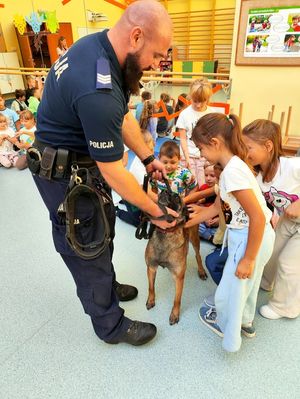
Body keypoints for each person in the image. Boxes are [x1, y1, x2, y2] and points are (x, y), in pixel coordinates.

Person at [30, 0, 175, 347]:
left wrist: (146, 155)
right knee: (88, 243)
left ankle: (107, 288)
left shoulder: (101, 49)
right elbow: (115, 174)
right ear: (137, 36)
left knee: (104, 225)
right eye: (157, 55)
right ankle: (110, 325)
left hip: (82, 164)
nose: (157, 65)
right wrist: (156, 211)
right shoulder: (98, 89)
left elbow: (123, 115)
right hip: (64, 174)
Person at [185, 113, 275, 352]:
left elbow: (256, 215)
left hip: (250, 238)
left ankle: (228, 331)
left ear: (215, 143)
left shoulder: (233, 171)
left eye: (201, 148)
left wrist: (248, 258)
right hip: (257, 235)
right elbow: (219, 206)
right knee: (248, 286)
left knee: (230, 291)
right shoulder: (232, 167)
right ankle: (245, 323)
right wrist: (195, 216)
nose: (200, 154)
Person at [243, 119, 300, 320]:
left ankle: (284, 307)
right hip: (288, 220)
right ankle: (266, 282)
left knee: (289, 263)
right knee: (271, 250)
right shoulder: (258, 176)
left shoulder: (292, 166)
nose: (245, 152)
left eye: (248, 147)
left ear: (268, 146)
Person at [176, 78, 217, 186]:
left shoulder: (212, 114)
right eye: (195, 101)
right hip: (189, 155)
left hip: (205, 156)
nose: (198, 105)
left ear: (208, 99)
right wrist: (187, 158)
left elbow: (215, 137)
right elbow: (183, 138)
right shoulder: (185, 114)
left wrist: (213, 157)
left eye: (202, 101)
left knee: (204, 185)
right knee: (190, 184)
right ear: (190, 97)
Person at [116, 129, 155, 227]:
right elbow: (148, 193)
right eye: (149, 150)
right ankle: (117, 211)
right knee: (137, 222)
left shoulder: (148, 160)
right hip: (130, 196)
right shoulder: (139, 169)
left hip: (137, 194)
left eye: (152, 149)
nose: (151, 153)